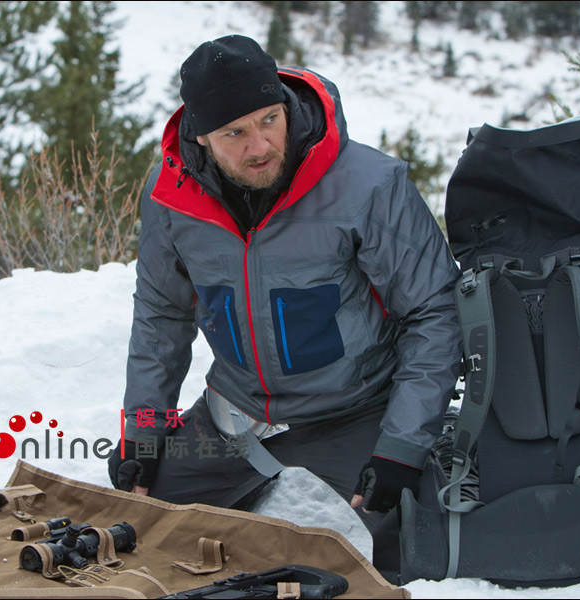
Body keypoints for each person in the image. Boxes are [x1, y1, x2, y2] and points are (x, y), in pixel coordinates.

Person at [108, 34, 463, 582]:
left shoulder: (367, 186)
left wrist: (401, 446)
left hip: (356, 406)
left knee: (399, 563)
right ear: (200, 138)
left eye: (270, 120)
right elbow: (161, 313)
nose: (260, 146)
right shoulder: (170, 195)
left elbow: (433, 313)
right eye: (235, 133)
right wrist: (145, 426)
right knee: (145, 533)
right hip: (235, 409)